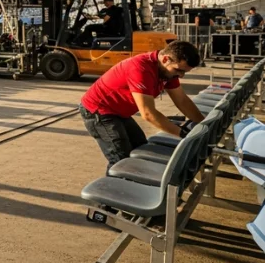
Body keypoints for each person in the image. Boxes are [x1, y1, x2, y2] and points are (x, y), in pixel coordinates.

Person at [79, 40, 203, 169]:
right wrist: (184, 134)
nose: (181, 76)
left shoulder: (168, 72)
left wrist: (203, 125)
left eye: (184, 72)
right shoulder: (140, 68)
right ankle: (116, 188)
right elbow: (148, 113)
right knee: (122, 161)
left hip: (120, 111)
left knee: (140, 147)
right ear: (166, 59)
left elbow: (182, 100)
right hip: (99, 111)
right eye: (179, 70)